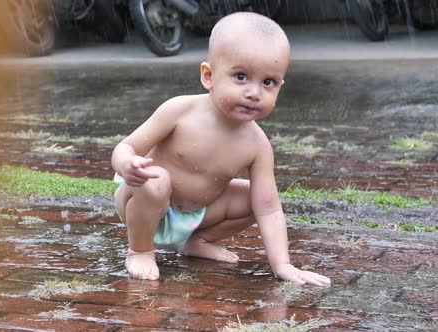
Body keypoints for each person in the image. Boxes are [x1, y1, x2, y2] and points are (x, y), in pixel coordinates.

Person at [111, 12, 331, 286]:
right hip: (144, 201)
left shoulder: (258, 146)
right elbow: (126, 146)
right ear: (209, 76)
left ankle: (196, 241)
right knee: (157, 179)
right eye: (241, 76)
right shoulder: (180, 110)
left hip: (195, 213)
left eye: (268, 82)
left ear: (280, 86)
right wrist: (127, 164)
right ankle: (140, 250)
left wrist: (282, 264)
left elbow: (269, 210)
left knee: (256, 197)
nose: (254, 92)